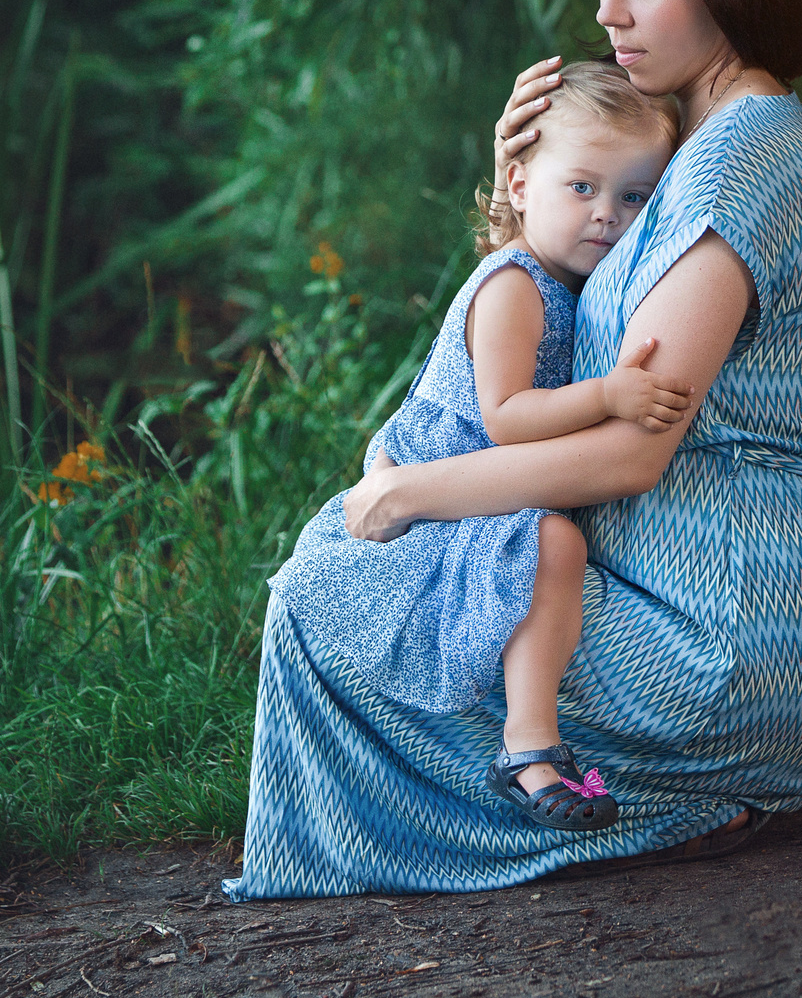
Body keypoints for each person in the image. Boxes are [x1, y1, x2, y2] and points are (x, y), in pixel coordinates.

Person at [225, 0, 802, 902]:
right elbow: (564, 320)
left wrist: (405, 495)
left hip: (720, 635)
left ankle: (645, 797)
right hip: (735, 609)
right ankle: (609, 799)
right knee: (371, 577)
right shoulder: (695, 145)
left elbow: (631, 451)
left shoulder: (735, 163)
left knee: (323, 587)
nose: (607, 14)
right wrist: (521, 192)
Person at [264, 62, 695, 834]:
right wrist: (609, 396)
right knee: (554, 541)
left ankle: (536, 744)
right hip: (448, 486)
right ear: (521, 185)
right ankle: (529, 751)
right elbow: (505, 417)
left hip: (489, 482)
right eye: (583, 187)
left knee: (556, 540)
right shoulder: (515, 285)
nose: (608, 215)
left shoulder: (562, 275)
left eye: (635, 196)